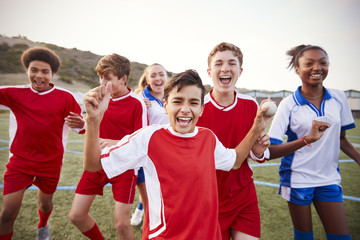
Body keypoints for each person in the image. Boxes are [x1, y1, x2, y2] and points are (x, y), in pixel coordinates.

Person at [82, 69, 272, 240]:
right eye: (178, 101)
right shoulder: (149, 138)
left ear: (201, 109)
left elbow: (236, 161)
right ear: (165, 106)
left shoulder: (208, 138)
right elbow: (93, 165)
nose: (185, 109)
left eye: (193, 102)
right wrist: (93, 120)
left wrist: (256, 128)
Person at [267, 45, 360, 240]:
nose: (317, 67)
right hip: (297, 179)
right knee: (304, 237)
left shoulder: (338, 98)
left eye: (323, 63)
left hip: (329, 179)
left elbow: (341, 139)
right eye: (309, 63)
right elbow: (271, 151)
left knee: (341, 237)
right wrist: (306, 140)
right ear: (297, 69)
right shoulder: (288, 104)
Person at [0, 47, 85, 240]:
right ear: (27, 71)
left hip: (50, 163)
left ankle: (43, 224)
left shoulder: (65, 97)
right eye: (34, 70)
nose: (39, 75)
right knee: (7, 214)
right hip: (20, 162)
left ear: (52, 74)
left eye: (45, 71)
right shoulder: (15, 93)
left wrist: (82, 124)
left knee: (45, 204)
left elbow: (80, 128)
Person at [196, 42, 272, 240]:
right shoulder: (198, 109)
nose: (225, 68)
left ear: (240, 70)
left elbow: (256, 155)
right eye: (219, 63)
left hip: (243, 197)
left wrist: (258, 149)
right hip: (208, 201)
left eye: (232, 63)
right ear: (209, 71)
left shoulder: (250, 104)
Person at [68, 54, 148, 240]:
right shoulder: (97, 96)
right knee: (76, 215)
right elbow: (93, 129)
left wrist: (116, 143)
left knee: (121, 224)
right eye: (100, 77)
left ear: (123, 79)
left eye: (107, 78)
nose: (102, 83)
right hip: (97, 162)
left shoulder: (136, 103)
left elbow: (142, 140)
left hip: (124, 166)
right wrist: (81, 125)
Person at [131, 63, 169, 226]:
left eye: (161, 74)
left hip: (167, 152)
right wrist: (139, 106)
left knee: (161, 190)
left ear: (166, 77)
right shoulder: (140, 99)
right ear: (147, 79)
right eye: (153, 75)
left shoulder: (173, 96)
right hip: (147, 154)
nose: (158, 78)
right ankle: (142, 213)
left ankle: (140, 209)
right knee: (149, 192)